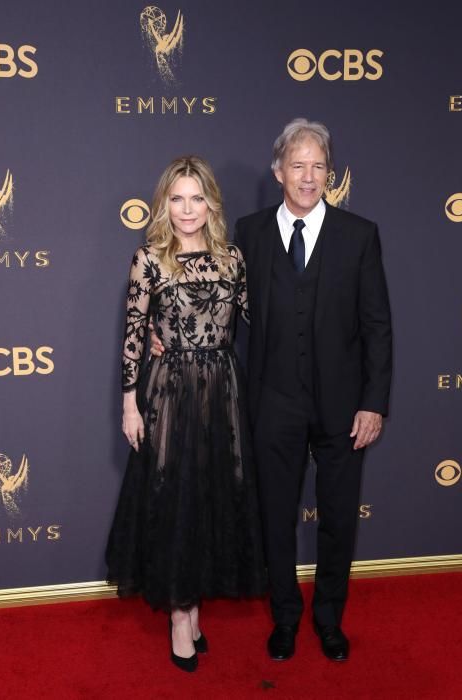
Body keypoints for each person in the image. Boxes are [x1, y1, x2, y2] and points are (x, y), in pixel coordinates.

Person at [151, 119, 393, 663]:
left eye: (319, 167)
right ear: (278, 171)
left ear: (330, 173)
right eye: (298, 166)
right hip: (272, 404)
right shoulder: (249, 233)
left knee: (337, 521)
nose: (309, 177)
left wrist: (373, 401)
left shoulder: (360, 235)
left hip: (343, 409)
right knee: (275, 519)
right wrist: (158, 328)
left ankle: (329, 620)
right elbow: (212, 301)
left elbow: (378, 326)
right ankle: (285, 618)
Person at [106, 156, 266, 673]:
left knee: (212, 497)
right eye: (177, 198)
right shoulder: (149, 258)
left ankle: (194, 608)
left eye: (197, 197)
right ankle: (180, 617)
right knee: (176, 500)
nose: (187, 209)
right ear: (164, 204)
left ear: (211, 203)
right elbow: (133, 338)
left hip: (223, 391)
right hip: (169, 393)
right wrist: (129, 404)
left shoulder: (233, 259)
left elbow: (255, 322)